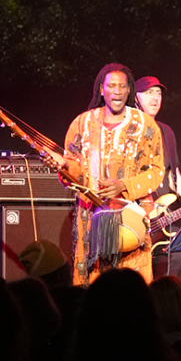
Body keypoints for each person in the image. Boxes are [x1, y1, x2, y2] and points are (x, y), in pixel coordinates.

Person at [57, 63, 166, 284]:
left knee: (132, 287)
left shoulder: (146, 125)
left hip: (131, 222)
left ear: (129, 90)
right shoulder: (82, 124)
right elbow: (74, 171)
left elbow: (156, 171)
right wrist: (64, 165)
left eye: (122, 86)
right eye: (111, 86)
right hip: (92, 222)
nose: (117, 91)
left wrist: (124, 186)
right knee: (94, 287)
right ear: (101, 89)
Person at [131, 75, 181, 204]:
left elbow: (174, 179)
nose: (155, 97)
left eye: (158, 93)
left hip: (162, 213)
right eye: (149, 92)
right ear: (135, 98)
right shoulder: (125, 131)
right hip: (133, 212)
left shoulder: (166, 132)